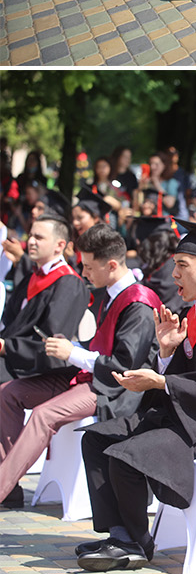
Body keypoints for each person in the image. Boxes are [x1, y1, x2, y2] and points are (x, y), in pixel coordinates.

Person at [77, 223, 196, 570]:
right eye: (175, 264)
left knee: (125, 456)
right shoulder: (194, 313)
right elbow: (182, 377)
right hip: (188, 415)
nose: (174, 273)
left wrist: (161, 382)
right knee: (95, 438)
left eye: (182, 264)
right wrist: (166, 354)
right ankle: (119, 532)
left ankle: (135, 543)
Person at [0, 216, 162, 505]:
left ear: (111, 265)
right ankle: (9, 483)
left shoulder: (138, 302)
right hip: (88, 375)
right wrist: (72, 346)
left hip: (115, 388)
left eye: (88, 267)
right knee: (9, 393)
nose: (83, 273)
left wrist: (73, 353)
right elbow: (101, 344)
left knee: (43, 415)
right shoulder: (111, 293)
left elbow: (124, 366)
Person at [0, 200, 86, 503]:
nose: (30, 241)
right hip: (18, 358)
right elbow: (10, 322)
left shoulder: (69, 285)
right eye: (31, 235)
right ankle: (7, 484)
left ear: (60, 244)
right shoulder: (33, 277)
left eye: (39, 237)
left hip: (48, 368)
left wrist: (6, 347)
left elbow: (52, 342)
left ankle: (6, 483)